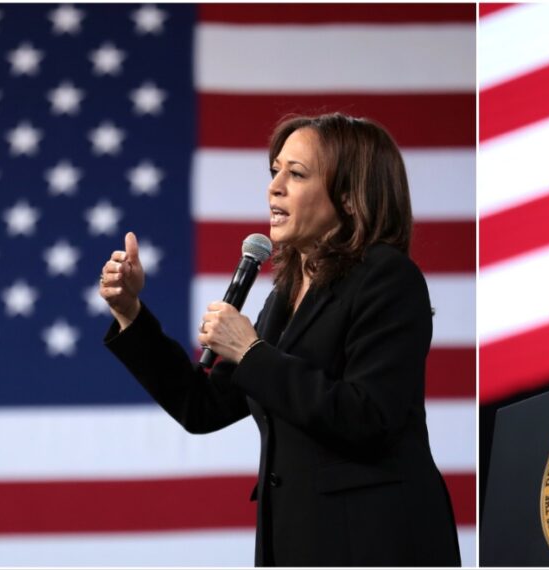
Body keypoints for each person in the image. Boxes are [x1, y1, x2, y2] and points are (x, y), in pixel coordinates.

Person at [99, 113, 461, 566]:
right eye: (275, 172)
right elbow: (203, 406)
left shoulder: (387, 278)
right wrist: (130, 313)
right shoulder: (285, 297)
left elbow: (368, 416)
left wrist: (251, 353)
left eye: (297, 174)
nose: (274, 187)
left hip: (373, 542)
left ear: (349, 197)